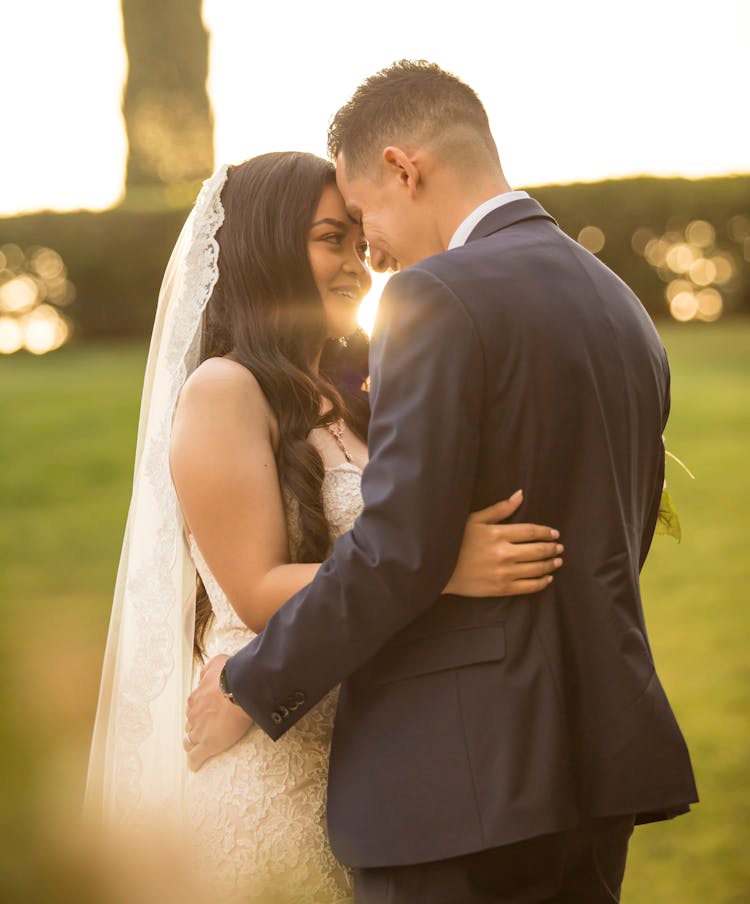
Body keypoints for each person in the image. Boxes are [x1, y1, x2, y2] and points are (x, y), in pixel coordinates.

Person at [188, 62, 699, 903]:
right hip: (601, 763)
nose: (372, 253)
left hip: (451, 783)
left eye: (362, 219)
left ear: (404, 167)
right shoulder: (621, 307)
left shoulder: (433, 297)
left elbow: (399, 553)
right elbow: (627, 528)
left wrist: (250, 685)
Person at [85, 150, 564, 903]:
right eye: (330, 240)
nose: (359, 264)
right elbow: (256, 589)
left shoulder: (359, 394)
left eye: (357, 239)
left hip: (374, 764)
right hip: (272, 774)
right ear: (267, 247)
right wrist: (442, 567)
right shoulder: (224, 390)